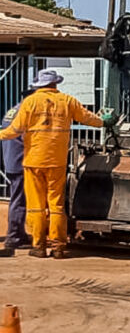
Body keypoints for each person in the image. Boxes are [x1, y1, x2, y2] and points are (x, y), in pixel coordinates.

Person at [0, 69, 115, 259]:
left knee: (36, 205)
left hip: (33, 161)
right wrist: (104, 123)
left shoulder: (29, 102)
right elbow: (88, 118)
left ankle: (39, 246)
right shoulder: (67, 101)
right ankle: (59, 246)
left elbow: (15, 130)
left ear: (38, 85)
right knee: (56, 205)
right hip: (57, 161)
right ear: (55, 84)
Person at [1, 96, 32, 253]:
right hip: (21, 160)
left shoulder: (13, 109)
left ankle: (19, 233)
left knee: (17, 198)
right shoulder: (25, 111)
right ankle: (13, 237)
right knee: (19, 200)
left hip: (11, 158)